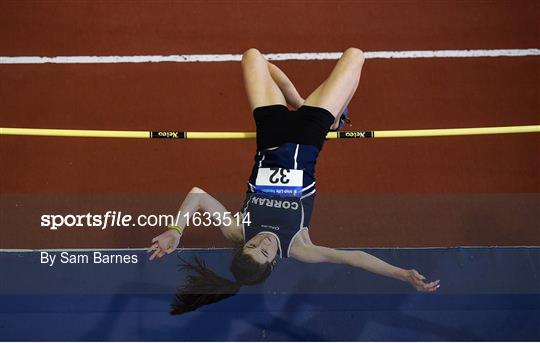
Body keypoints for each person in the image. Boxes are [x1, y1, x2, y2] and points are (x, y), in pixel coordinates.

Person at [148, 48, 440, 315]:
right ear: (274, 261)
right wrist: (403, 274)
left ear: (243, 247)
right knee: (355, 56)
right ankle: (327, 117)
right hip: (310, 132)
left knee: (252, 56)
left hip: (270, 131)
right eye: (265, 252)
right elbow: (353, 259)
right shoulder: (298, 247)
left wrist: (176, 230)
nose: (262, 242)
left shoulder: (239, 229)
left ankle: (299, 101)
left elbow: (198, 195)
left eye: (252, 247)